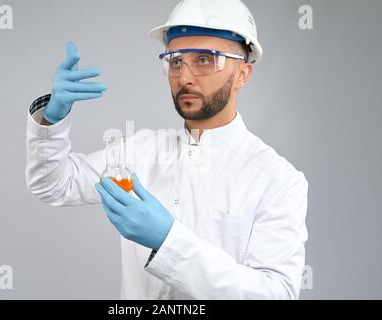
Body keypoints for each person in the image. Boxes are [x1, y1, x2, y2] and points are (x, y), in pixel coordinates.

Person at [26, 0, 308, 299]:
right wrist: (51, 119)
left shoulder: (277, 180)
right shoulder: (141, 151)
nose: (184, 77)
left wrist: (168, 241)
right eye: (175, 61)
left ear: (242, 74)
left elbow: (275, 294)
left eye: (205, 59)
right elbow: (53, 185)